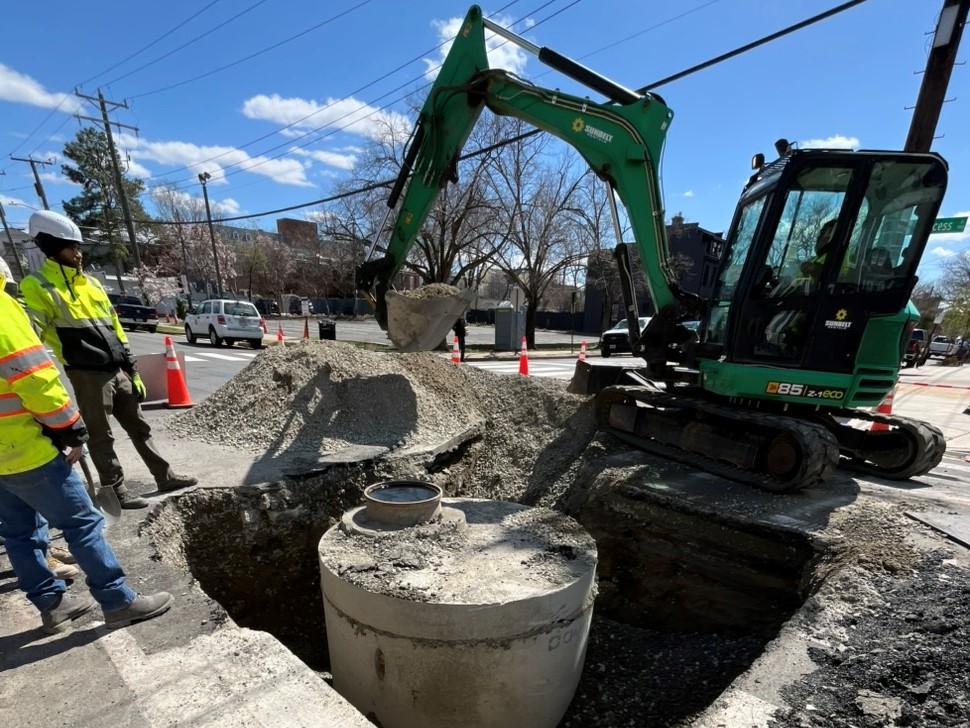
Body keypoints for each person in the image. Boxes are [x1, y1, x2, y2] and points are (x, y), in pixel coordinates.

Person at [0, 256, 173, 633]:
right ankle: (117, 600)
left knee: (18, 533)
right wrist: (68, 427)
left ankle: (52, 605)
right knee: (81, 524)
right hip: (27, 449)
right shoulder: (3, 311)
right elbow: (35, 378)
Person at [20, 210, 196, 509]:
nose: (78, 253)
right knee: (101, 437)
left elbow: (115, 328)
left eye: (78, 247)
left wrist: (132, 369)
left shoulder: (91, 284)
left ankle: (164, 476)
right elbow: (31, 336)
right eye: (71, 247)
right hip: (86, 374)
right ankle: (116, 490)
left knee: (140, 428)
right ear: (51, 246)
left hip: (117, 369)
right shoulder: (38, 286)